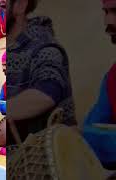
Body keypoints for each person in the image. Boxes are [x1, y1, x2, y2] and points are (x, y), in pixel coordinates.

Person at [6, 0, 77, 142]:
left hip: (41, 160)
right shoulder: (8, 49)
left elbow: (47, 93)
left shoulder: (44, 46)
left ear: (20, 5)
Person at [82, 0, 116, 170]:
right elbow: (91, 128)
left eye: (115, 11)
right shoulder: (112, 77)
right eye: (106, 12)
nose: (108, 21)